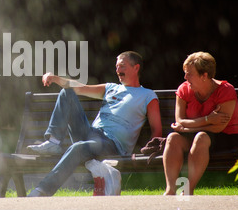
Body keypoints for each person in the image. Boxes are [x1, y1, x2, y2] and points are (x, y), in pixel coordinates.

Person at [27, 51, 162, 197]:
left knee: (77, 148)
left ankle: (42, 191)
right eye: (116, 67)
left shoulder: (148, 95)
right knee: (67, 92)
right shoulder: (111, 88)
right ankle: (53, 141)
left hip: (112, 145)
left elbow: (157, 129)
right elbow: (79, 87)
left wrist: (150, 150)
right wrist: (54, 78)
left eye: (122, 66)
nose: (118, 70)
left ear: (136, 68)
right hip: (91, 135)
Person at [163, 52, 238, 195]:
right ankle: (170, 190)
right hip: (196, 134)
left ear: (204, 75)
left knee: (201, 137)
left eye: (189, 74)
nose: (185, 78)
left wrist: (188, 128)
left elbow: (219, 127)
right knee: (173, 138)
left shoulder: (226, 90)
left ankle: (188, 190)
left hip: (225, 137)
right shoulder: (184, 89)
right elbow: (180, 120)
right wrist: (208, 119)